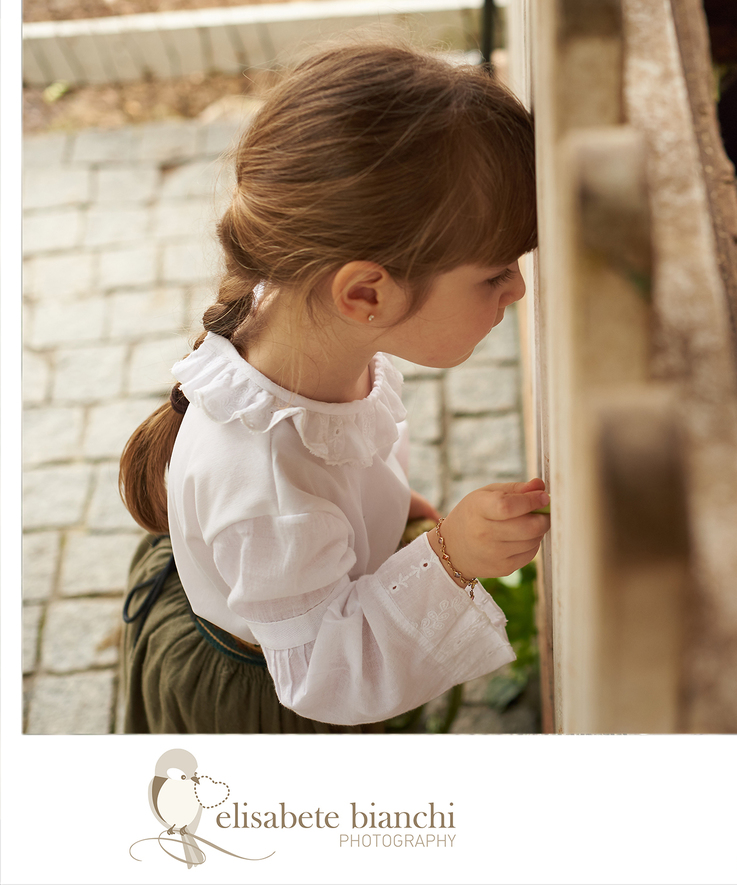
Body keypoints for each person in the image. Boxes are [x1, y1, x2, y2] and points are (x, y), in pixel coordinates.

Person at [117, 39, 548, 733]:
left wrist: (385, 506)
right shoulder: (267, 486)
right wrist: (449, 559)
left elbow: (338, 467)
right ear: (366, 293)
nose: (518, 288)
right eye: (495, 273)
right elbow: (325, 669)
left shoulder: (304, 324)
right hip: (272, 696)